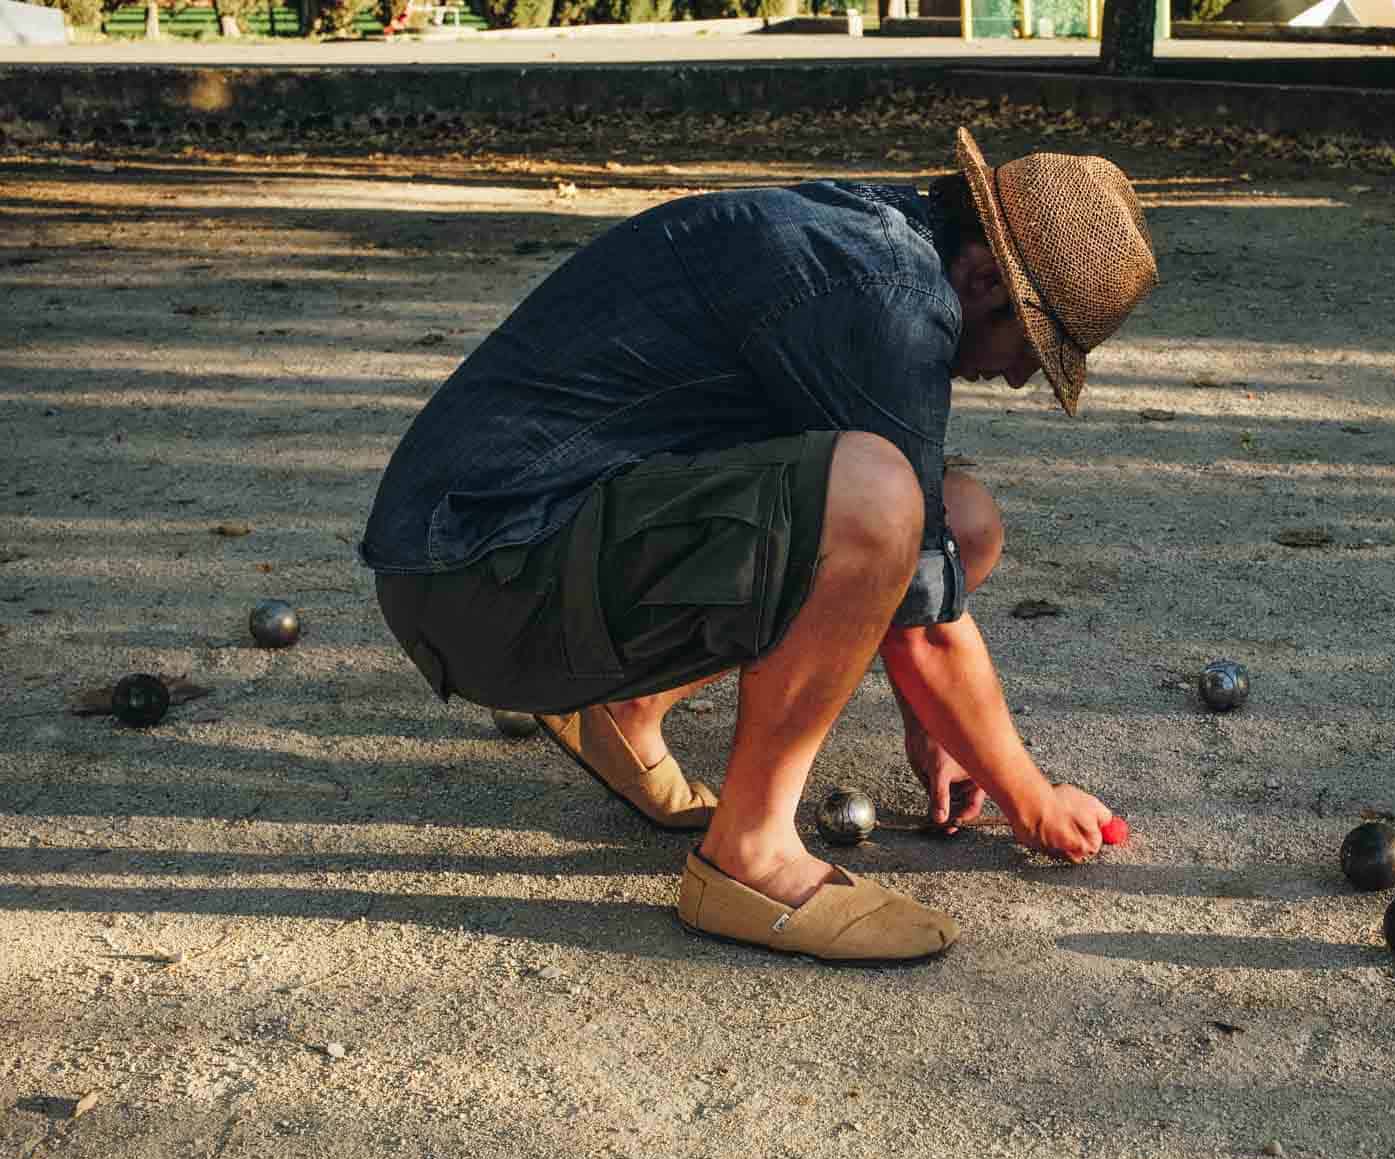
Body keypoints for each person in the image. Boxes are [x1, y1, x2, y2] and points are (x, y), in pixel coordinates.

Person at [360, 129, 1159, 966]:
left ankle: (624, 710)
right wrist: (1028, 797)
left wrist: (942, 726)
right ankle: (751, 858)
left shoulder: (873, 240)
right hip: (481, 581)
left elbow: (911, 569)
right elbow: (902, 592)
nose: (1023, 379)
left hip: (504, 551)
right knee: (879, 496)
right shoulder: (890, 299)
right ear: (988, 279)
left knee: (961, 518)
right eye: (1035, 345)